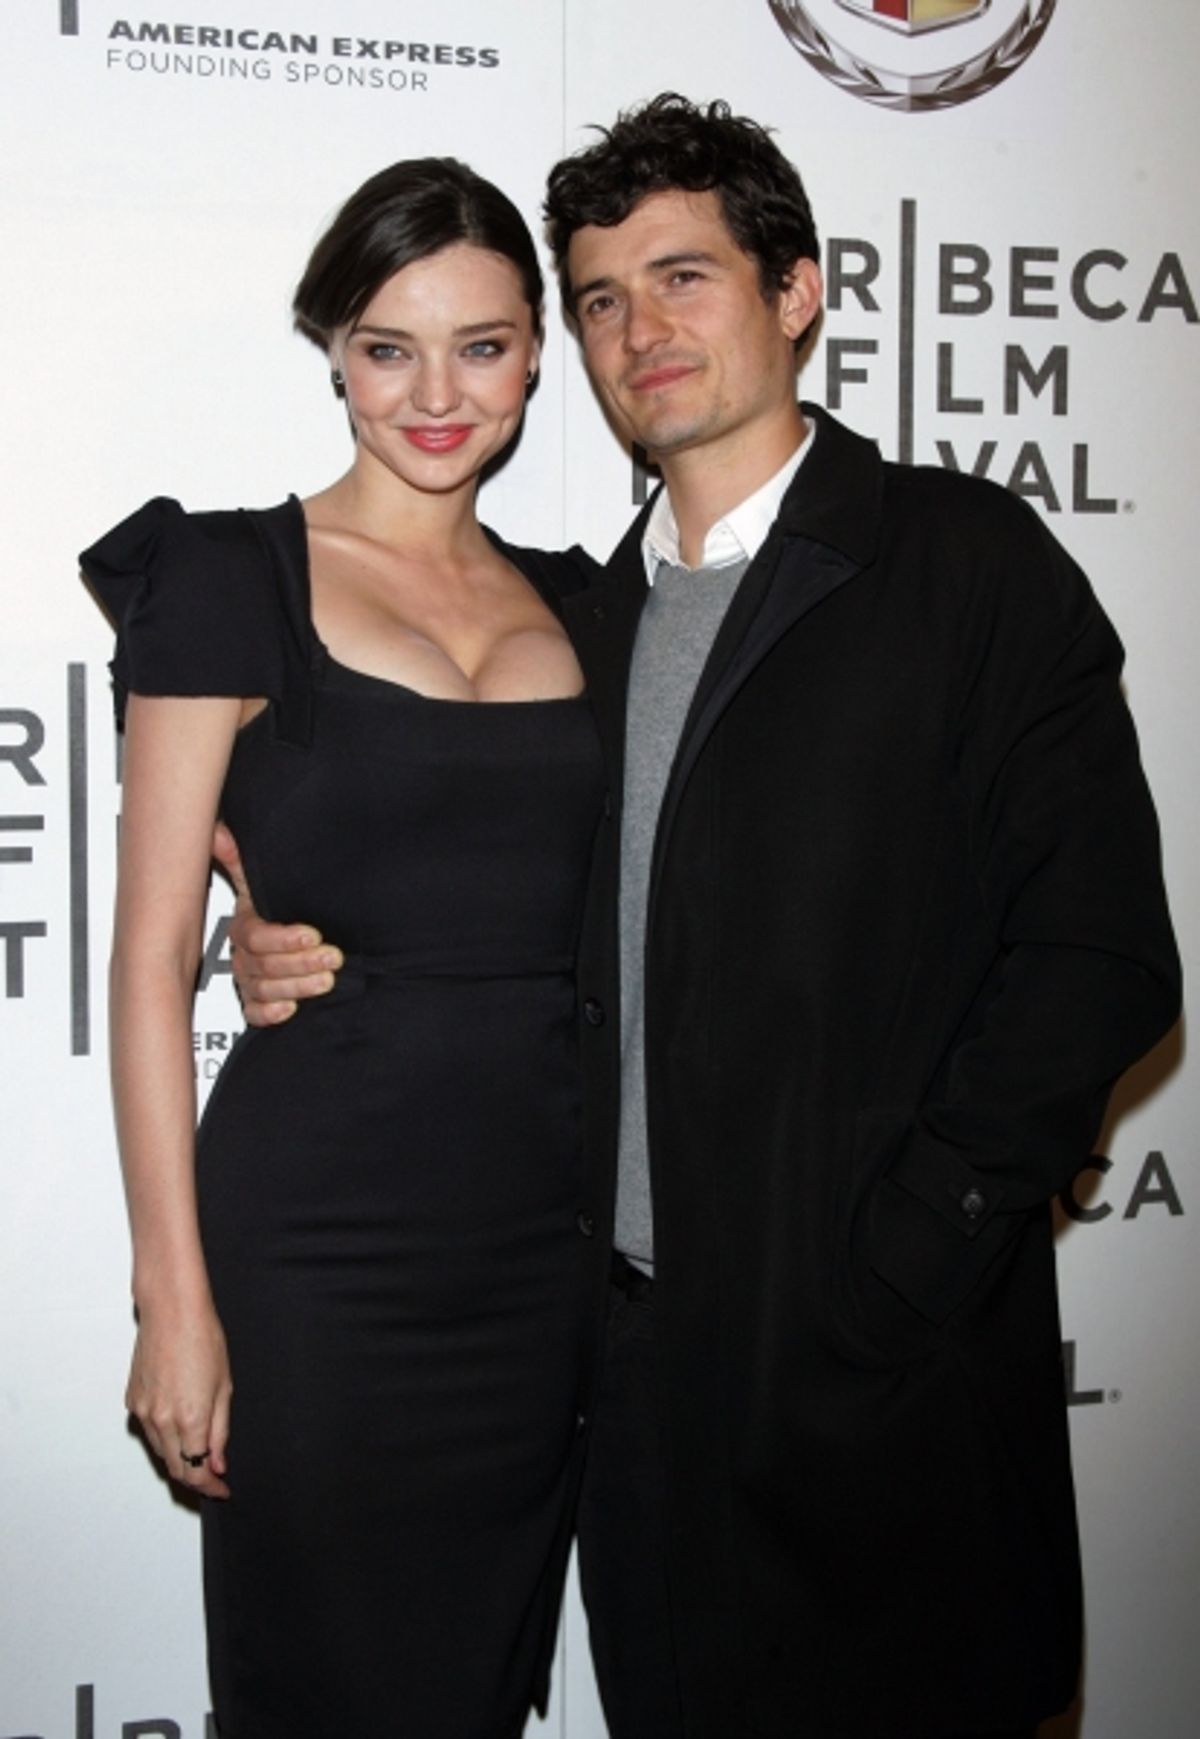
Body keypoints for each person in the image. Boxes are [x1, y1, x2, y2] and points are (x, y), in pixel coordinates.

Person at [226, 97, 1181, 1739]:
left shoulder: (960, 566)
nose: (639, 332)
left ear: (796, 292)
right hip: (638, 1399)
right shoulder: (572, 624)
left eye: (684, 278)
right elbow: (439, 856)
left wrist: (898, 1261)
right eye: (598, 300)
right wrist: (278, 923)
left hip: (885, 1380)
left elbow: (1097, 956)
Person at [81, 158, 607, 1739]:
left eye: (485, 345)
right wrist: (175, 1301)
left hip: (540, 1258)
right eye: (390, 347)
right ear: (333, 352)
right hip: (316, 1257)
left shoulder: (594, 607)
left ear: (536, 354)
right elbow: (150, 956)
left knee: (477, 1691)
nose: (437, 394)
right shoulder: (230, 579)